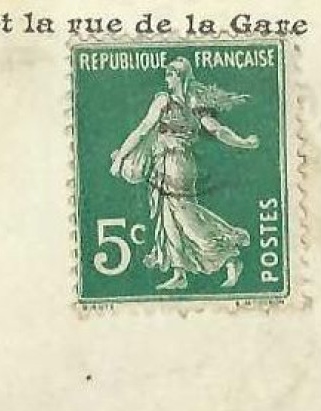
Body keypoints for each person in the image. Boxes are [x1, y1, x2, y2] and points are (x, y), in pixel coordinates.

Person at [109, 56, 260, 291]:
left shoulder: (164, 101)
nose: (166, 78)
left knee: (185, 216)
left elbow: (141, 131)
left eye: (170, 74)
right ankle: (180, 273)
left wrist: (120, 158)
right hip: (178, 163)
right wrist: (242, 142)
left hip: (173, 164)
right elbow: (217, 130)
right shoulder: (194, 102)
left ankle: (229, 253)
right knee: (171, 217)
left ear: (179, 77)